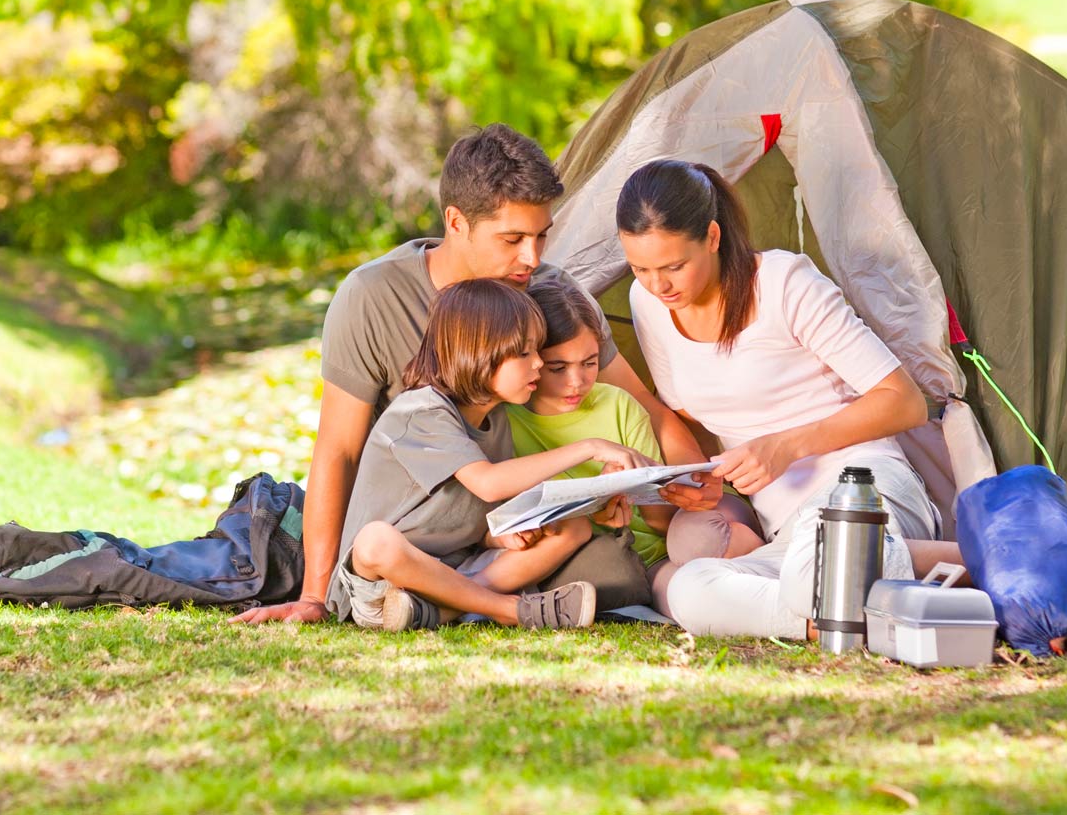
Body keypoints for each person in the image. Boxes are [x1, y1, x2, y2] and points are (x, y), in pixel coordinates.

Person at [237, 124, 721, 626]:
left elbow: (644, 405)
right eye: (512, 239)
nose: (532, 259)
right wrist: (315, 596)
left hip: (506, 532)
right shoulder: (374, 299)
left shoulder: (554, 293)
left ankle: (444, 605)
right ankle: (485, 606)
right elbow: (338, 450)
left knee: (601, 561)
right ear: (456, 222)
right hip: (415, 531)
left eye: (541, 236)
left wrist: (698, 483)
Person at [618, 159, 938, 639]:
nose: (658, 284)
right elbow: (697, 415)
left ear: (712, 236)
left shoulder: (785, 284)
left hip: (864, 487)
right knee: (689, 586)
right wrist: (707, 481)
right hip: (786, 535)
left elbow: (904, 402)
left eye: (674, 266)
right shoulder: (648, 304)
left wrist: (787, 446)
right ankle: (825, 620)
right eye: (639, 268)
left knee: (821, 557)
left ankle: (898, 575)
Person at [327, 279, 652, 630]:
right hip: (384, 583)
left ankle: (447, 608)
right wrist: (590, 447)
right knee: (375, 541)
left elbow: (464, 515)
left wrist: (497, 536)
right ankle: (509, 609)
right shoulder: (420, 412)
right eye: (525, 353)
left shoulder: (495, 417)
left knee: (570, 528)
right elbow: (487, 484)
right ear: (479, 354)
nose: (538, 365)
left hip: (459, 570)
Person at [507, 277, 764, 610]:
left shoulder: (617, 403)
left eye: (590, 363)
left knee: (698, 540)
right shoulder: (508, 421)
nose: (577, 382)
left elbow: (661, 521)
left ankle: (773, 563)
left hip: (664, 545)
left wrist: (637, 485)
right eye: (558, 367)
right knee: (692, 602)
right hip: (619, 564)